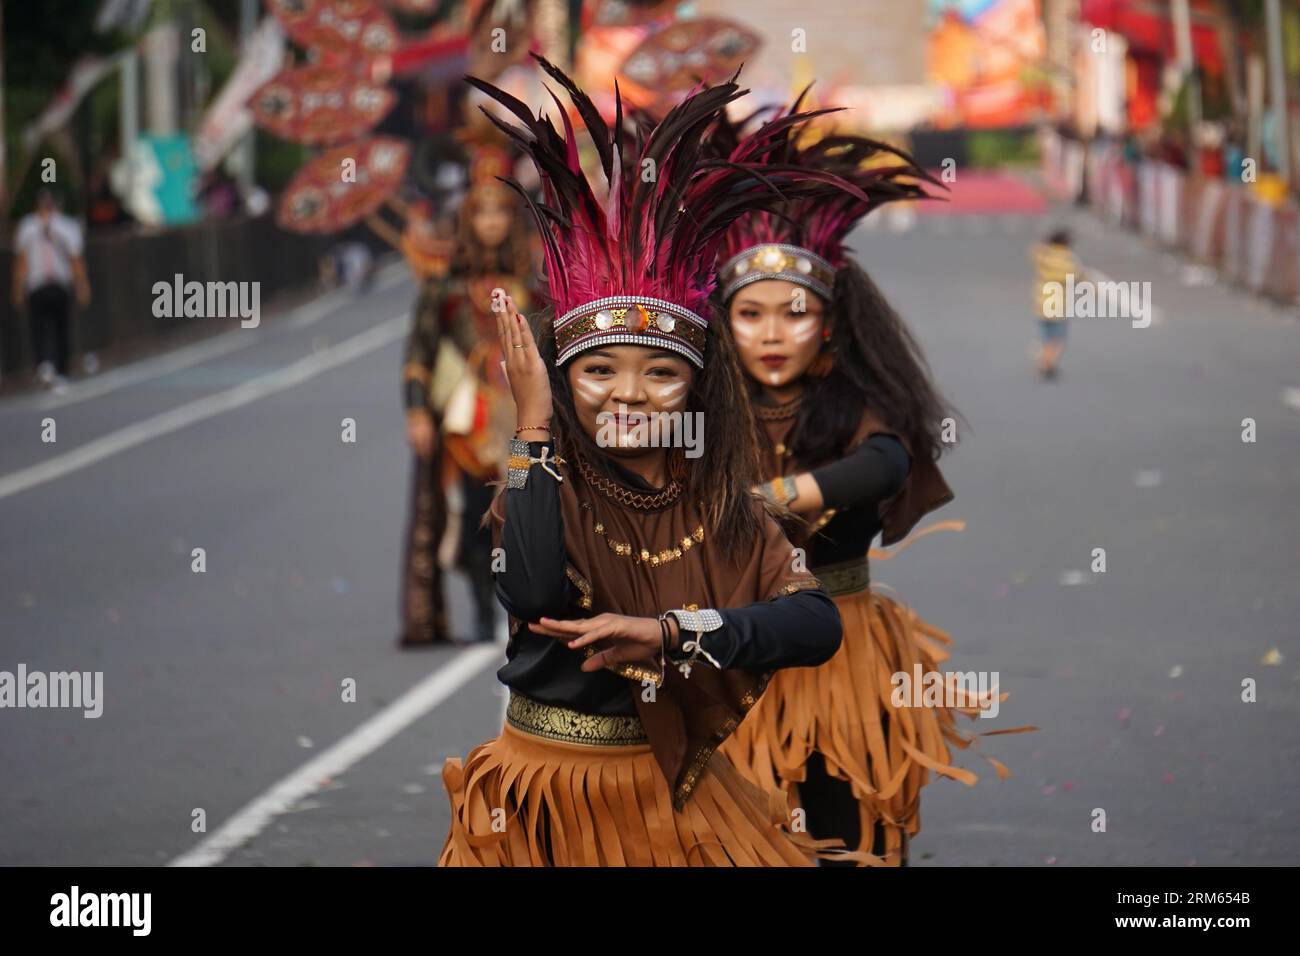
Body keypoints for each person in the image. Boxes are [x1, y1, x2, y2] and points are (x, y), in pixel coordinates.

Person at [437, 57, 860, 866]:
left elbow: (815, 624)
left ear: (699, 391)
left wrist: (674, 634)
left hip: (674, 798)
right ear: (564, 382)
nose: (628, 395)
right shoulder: (537, 489)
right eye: (598, 371)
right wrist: (533, 428)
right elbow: (531, 594)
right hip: (547, 799)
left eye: (660, 372)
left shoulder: (724, 512)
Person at [713, 111, 1029, 866]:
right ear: (723, 324)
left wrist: (778, 497)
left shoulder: (851, 402)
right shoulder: (701, 408)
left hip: (839, 648)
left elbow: (885, 466)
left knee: (846, 832)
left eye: (795, 314)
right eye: (750, 314)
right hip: (730, 649)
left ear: (828, 324)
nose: (771, 333)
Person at [399, 147, 535, 647]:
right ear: (467, 218)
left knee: (524, 516)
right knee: (474, 517)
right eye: (482, 212)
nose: (493, 223)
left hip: (526, 417)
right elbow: (419, 352)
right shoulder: (446, 285)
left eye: (502, 211)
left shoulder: (534, 283)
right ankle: (481, 608)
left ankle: (518, 606)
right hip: (465, 421)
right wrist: (416, 411)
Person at [11, 189, 90, 391]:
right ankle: (47, 366)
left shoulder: (64, 226)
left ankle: (56, 369)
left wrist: (81, 285)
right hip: (38, 283)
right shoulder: (29, 227)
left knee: (58, 327)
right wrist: (18, 287)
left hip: (57, 284)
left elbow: (75, 260)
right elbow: (22, 261)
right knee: (41, 327)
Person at [1032, 228, 1082, 380]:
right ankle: (1047, 365)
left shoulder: (1044, 256)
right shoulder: (1068, 260)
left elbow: (1035, 249)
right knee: (1058, 339)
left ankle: (1044, 362)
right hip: (1058, 306)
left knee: (1047, 338)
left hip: (1041, 304)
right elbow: (1077, 276)